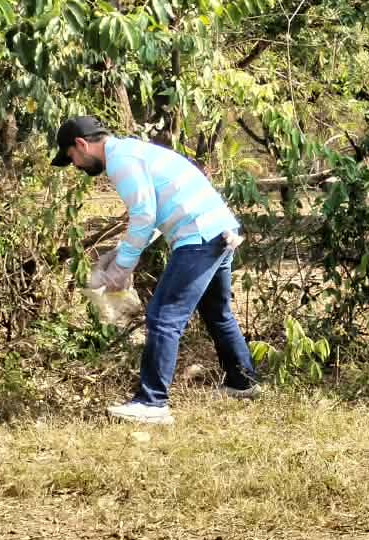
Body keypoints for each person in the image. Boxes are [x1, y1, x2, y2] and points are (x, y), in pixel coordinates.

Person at [53, 116, 259, 425]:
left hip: (199, 236)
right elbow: (155, 215)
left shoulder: (120, 160)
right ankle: (242, 383)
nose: (76, 165)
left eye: (72, 157)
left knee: (163, 316)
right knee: (217, 312)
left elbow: (144, 214)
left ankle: (152, 403)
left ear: (81, 144)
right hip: (219, 230)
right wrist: (122, 252)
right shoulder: (132, 151)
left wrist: (122, 267)